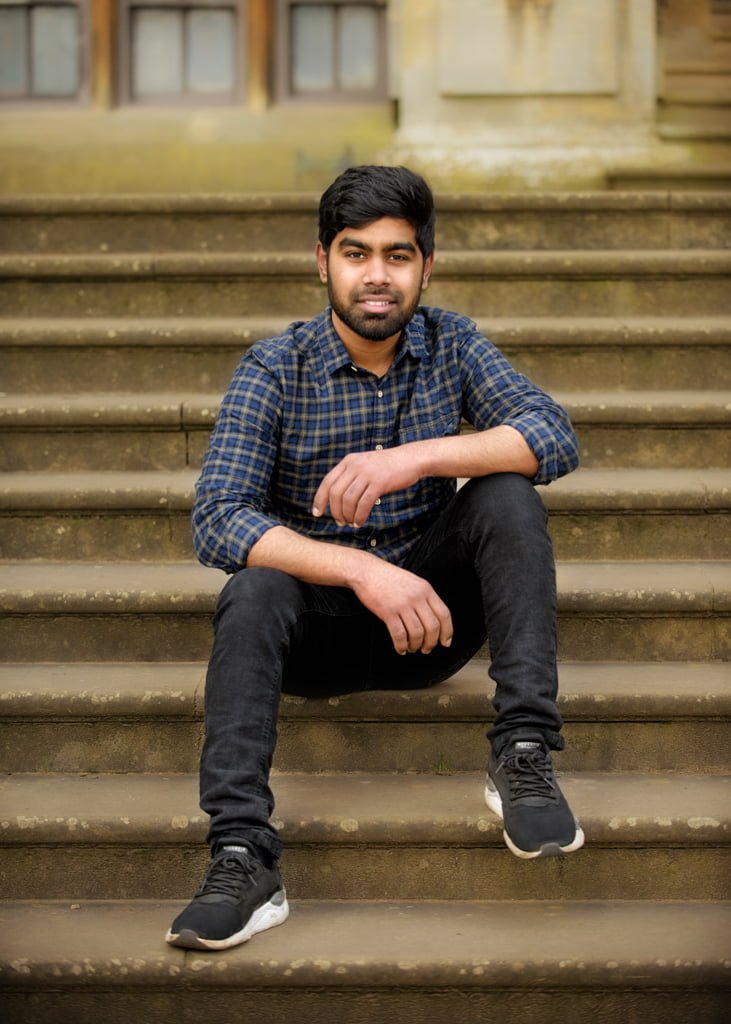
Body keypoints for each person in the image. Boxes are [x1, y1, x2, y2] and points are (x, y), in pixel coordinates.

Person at [165, 165, 584, 952]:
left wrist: (412, 459)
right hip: (315, 634)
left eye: (397, 255)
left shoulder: (451, 342)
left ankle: (522, 751)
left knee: (506, 494)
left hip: (430, 628)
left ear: (427, 266)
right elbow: (217, 519)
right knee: (252, 589)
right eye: (356, 254)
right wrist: (363, 569)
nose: (377, 276)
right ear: (321, 260)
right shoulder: (273, 367)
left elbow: (554, 435)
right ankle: (242, 854)